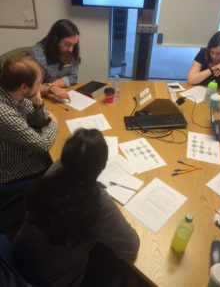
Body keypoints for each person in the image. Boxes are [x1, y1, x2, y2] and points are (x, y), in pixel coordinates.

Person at [13, 128, 140, 287]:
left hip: (18, 258)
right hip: (53, 281)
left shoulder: (55, 170)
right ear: (102, 166)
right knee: (117, 262)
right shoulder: (98, 202)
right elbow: (130, 248)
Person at [0, 55, 58, 191]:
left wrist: (38, 102)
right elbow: (43, 145)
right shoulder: (4, 113)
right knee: (63, 166)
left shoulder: (14, 94)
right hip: (12, 170)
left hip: (25, 152)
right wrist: (54, 123)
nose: (41, 87)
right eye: (38, 83)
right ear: (24, 87)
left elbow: (39, 121)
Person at [29, 19, 80, 100]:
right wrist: (52, 88)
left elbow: (74, 77)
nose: (71, 50)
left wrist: (51, 85)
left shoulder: (71, 50)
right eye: (67, 44)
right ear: (55, 39)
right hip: (40, 99)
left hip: (62, 94)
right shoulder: (38, 54)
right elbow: (33, 88)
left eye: (73, 45)